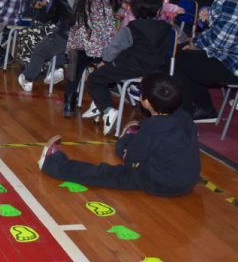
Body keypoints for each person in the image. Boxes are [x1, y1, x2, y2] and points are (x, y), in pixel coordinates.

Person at [39, 72, 201, 197]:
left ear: (147, 103)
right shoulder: (185, 117)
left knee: (104, 173)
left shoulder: (151, 130)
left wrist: (128, 155)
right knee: (131, 141)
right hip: (188, 181)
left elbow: (133, 163)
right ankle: (127, 140)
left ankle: (52, 163)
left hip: (158, 183)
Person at [81, 0, 175, 134]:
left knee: (95, 78)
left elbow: (112, 51)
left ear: (134, 11)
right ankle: (98, 104)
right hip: (154, 70)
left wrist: (105, 61)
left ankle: (107, 110)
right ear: (158, 10)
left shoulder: (131, 29)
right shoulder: (168, 29)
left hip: (129, 67)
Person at [63, 0, 133, 117]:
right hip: (99, 37)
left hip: (80, 35)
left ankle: (69, 104)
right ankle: (99, 102)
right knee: (102, 67)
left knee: (75, 69)